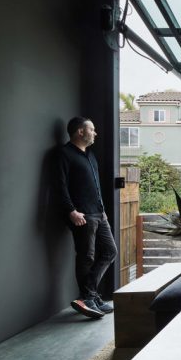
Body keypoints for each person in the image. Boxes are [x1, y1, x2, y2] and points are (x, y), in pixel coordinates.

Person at [55, 117, 117, 319]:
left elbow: (96, 186)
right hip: (82, 215)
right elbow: (60, 186)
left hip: (99, 214)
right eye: (92, 129)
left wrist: (102, 209)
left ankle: (88, 295)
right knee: (87, 257)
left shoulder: (90, 155)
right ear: (80, 132)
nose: (95, 133)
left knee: (110, 251)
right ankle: (89, 297)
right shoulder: (64, 154)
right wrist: (71, 211)